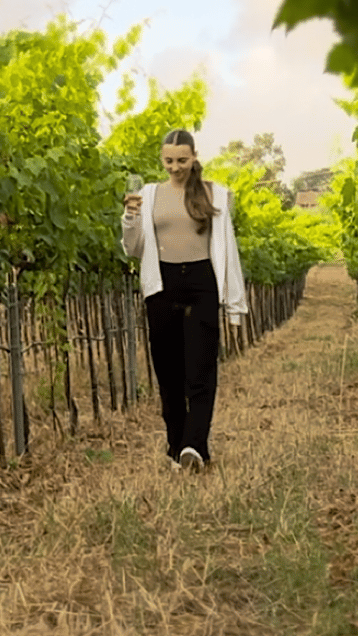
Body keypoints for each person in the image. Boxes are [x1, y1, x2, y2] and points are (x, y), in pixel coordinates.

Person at [121, 129, 247, 472]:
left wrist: (235, 305)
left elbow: (228, 250)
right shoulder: (148, 194)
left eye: (182, 160)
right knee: (168, 372)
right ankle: (176, 445)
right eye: (168, 161)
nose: (175, 167)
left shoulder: (215, 193)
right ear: (161, 160)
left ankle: (195, 445)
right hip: (162, 285)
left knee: (200, 369)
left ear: (194, 157)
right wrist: (130, 218)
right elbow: (132, 248)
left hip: (202, 284)